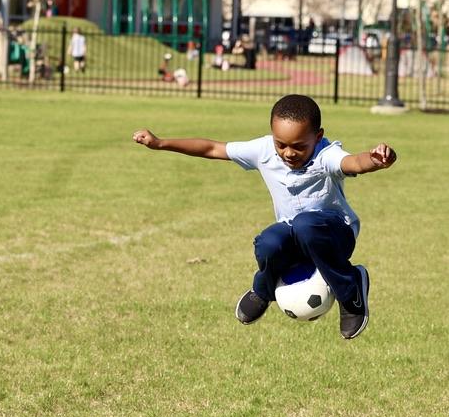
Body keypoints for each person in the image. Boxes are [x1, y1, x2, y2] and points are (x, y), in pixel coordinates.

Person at [132, 93, 396, 340]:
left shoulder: (325, 155)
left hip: (335, 236)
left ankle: (350, 293)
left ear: (318, 137)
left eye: (298, 146)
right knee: (269, 241)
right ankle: (262, 290)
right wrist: (160, 143)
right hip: (296, 236)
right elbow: (212, 148)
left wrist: (376, 160)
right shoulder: (264, 150)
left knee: (305, 224)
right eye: (281, 144)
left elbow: (353, 162)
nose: (288, 153)